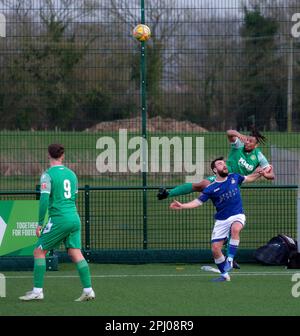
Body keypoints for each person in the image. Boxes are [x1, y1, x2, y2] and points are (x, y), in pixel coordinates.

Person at [169, 157, 267, 282]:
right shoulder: (210, 188)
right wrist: (182, 205)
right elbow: (197, 202)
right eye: (220, 164)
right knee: (215, 249)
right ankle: (225, 276)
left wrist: (259, 174)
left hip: (237, 214)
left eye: (224, 163)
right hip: (221, 220)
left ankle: (230, 260)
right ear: (215, 170)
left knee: (235, 229)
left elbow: (249, 178)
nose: (224, 165)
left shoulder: (234, 177)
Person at [19, 144, 95, 301]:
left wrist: (40, 223)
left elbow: (44, 199)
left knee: (39, 252)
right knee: (75, 252)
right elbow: (74, 197)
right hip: (74, 218)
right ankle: (88, 290)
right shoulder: (72, 174)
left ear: (48, 156)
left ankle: (37, 291)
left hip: (59, 219)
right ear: (63, 156)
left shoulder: (47, 175)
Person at [157, 128, 274, 200]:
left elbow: (271, 175)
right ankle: (167, 194)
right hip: (223, 175)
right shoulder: (239, 145)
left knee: (230, 212)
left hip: (234, 182)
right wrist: (238, 134)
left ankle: (227, 239)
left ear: (256, 145)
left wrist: (264, 173)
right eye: (247, 139)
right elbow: (229, 133)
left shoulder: (259, 156)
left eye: (251, 141)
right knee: (201, 184)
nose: (247, 142)